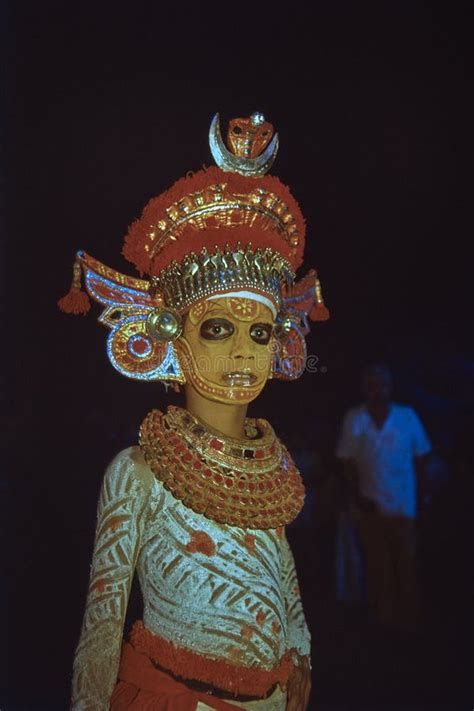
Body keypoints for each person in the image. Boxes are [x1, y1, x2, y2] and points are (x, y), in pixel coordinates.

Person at [59, 112, 330, 710]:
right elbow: (102, 628)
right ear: (171, 340)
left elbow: (280, 574)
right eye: (217, 328)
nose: (242, 352)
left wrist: (301, 649)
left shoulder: (269, 466)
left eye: (260, 333)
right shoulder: (138, 472)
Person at [336, 363, 432, 631]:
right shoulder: (355, 418)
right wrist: (356, 497)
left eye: (382, 383)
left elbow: (422, 458)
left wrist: (423, 496)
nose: (377, 389)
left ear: (390, 387)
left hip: (404, 505)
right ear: (364, 388)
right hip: (370, 504)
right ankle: (384, 622)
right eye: (371, 384)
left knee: (407, 564)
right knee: (378, 566)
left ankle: (410, 621)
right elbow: (348, 462)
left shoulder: (407, 416)